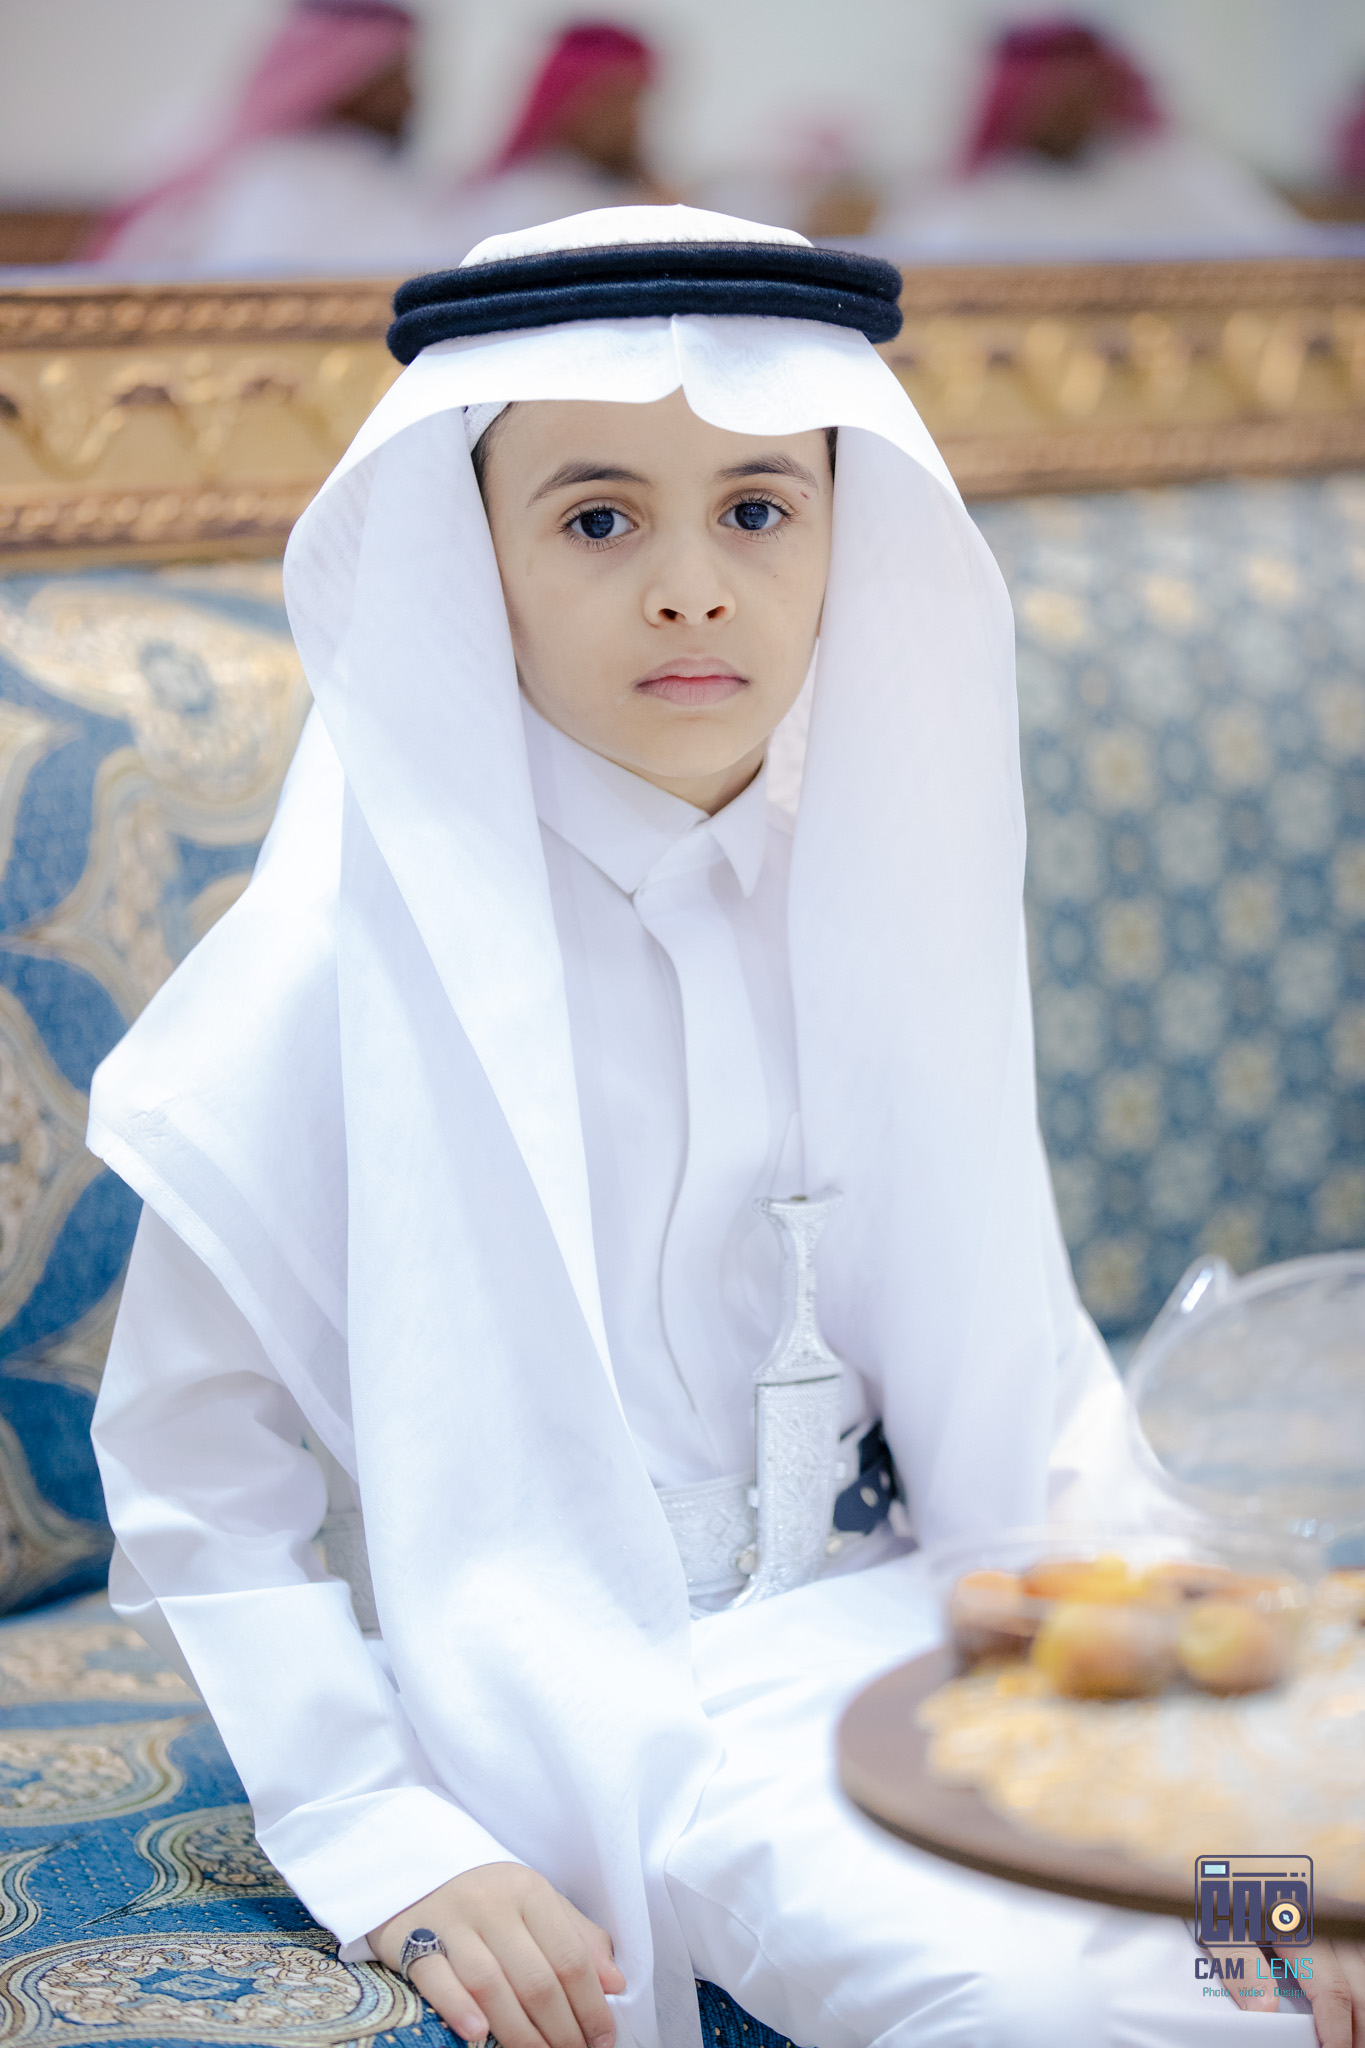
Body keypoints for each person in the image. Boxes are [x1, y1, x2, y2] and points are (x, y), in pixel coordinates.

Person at [89, 205, 1362, 2048]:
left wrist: (1260, 1825)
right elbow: (191, 1467)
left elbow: (1024, 1391)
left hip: (957, 1631)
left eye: (757, 509)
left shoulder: (883, 883)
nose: (690, 586)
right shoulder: (333, 967)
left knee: (1279, 1950)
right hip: (638, 1699)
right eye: (599, 520)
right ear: (475, 554)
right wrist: (378, 1826)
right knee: (1083, 2012)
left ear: (842, 534)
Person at [87, 0, 457, 275]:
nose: (411, 97)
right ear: (347, 80)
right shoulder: (280, 180)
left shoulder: (357, 170)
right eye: (396, 80)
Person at [879, 18, 1302, 257]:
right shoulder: (965, 197)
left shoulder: (1174, 177)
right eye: (1054, 100)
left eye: (1086, 95)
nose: (1073, 112)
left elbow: (1286, 260)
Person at [448, 24, 669, 256]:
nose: (633, 119)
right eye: (617, 103)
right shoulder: (531, 200)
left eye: (637, 102)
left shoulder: (618, 190)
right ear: (568, 105)